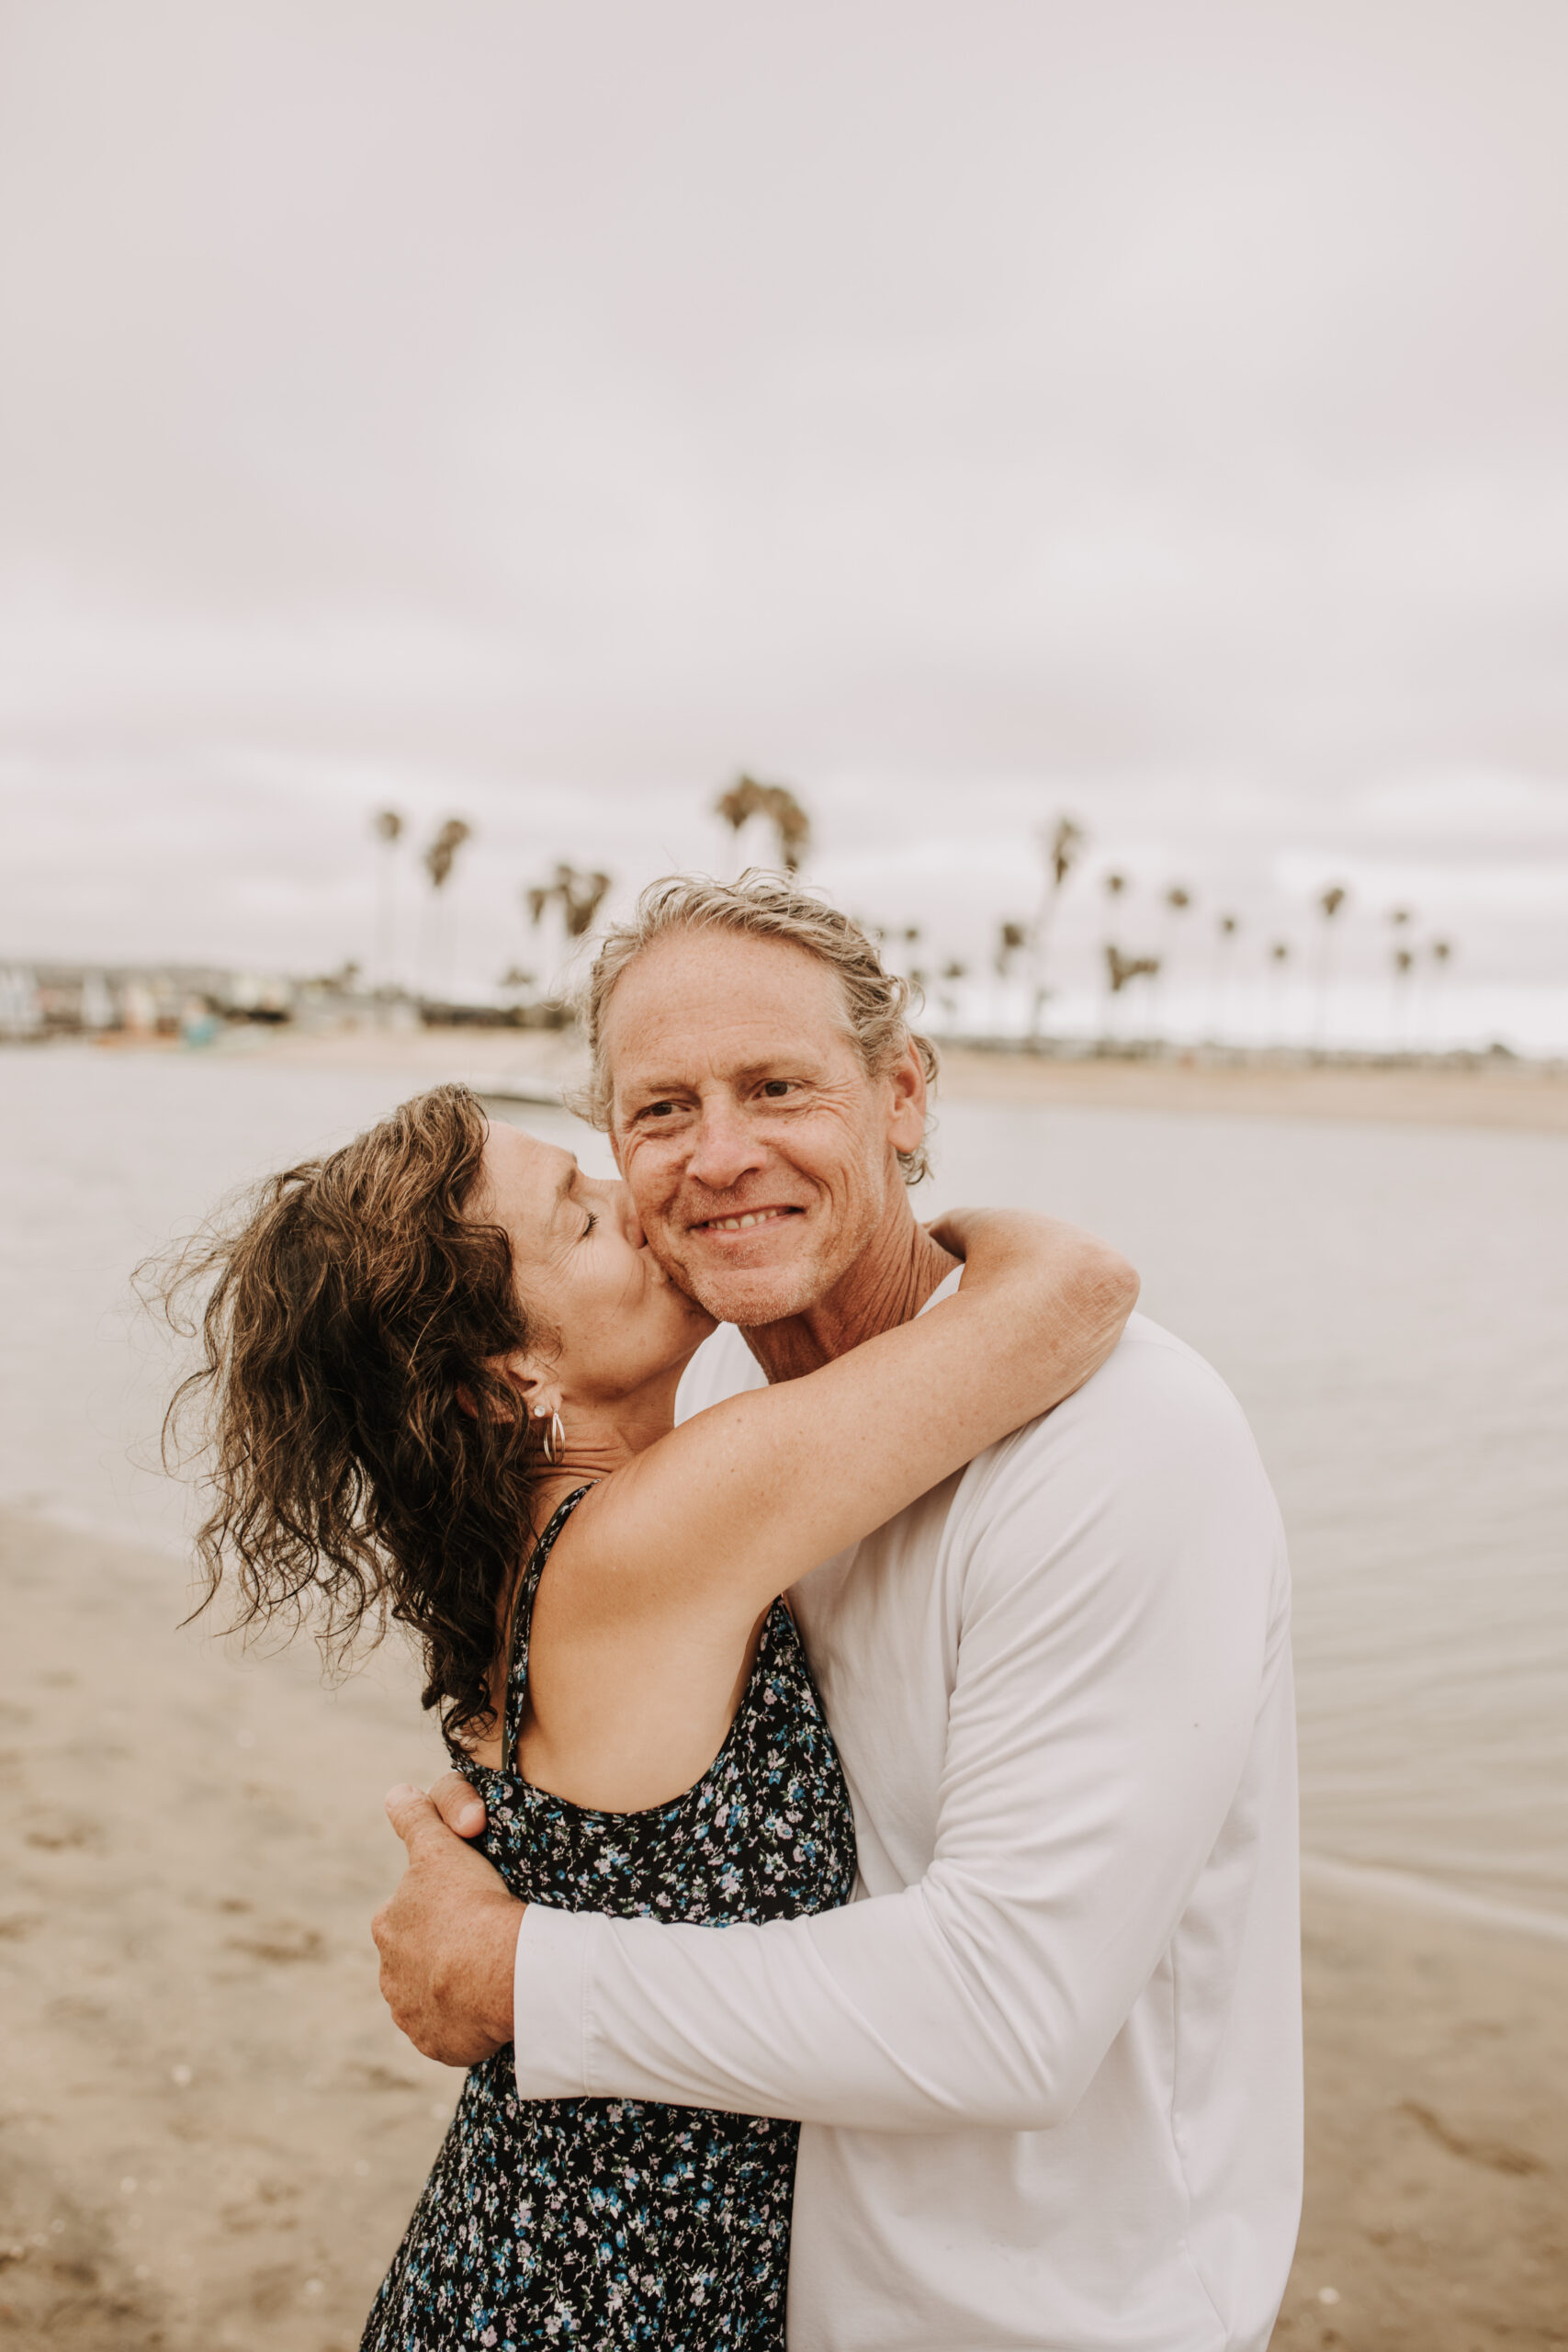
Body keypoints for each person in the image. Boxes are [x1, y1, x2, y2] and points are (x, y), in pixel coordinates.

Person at [375, 873, 1303, 2352]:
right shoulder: (723, 1406)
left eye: (779, 1086)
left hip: (1047, 2307)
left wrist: (523, 1968)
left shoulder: (1133, 1441)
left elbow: (1011, 2011)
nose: (718, 1154)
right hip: (782, 2294)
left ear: (903, 1098)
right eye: (661, 1110)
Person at [162, 1065, 1133, 2349]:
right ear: (511, 1377)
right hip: (598, 2300)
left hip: (551, 2261)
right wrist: (923, 1226)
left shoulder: (551, 1548)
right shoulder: (656, 1532)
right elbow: (1075, 1295)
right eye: (577, 1217)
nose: (635, 1202)